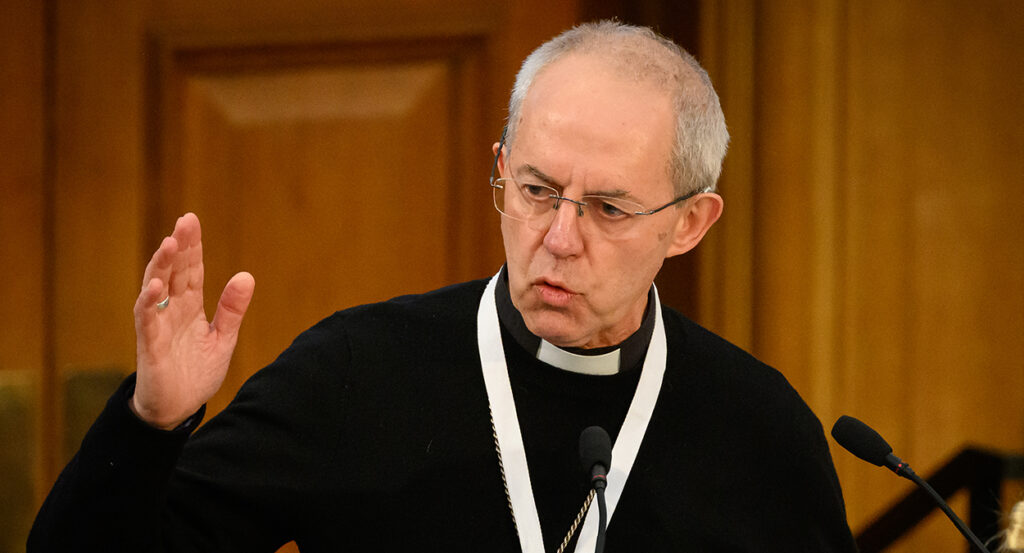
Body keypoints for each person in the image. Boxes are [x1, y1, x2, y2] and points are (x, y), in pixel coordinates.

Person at [29, 21, 857, 552]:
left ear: (690, 222)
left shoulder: (761, 431)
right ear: (502, 169)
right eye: (535, 191)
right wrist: (149, 423)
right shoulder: (354, 374)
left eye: (607, 207)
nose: (558, 239)